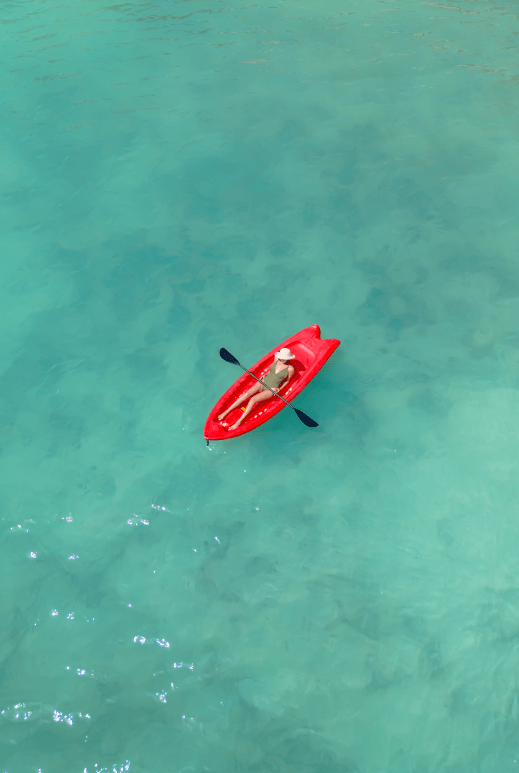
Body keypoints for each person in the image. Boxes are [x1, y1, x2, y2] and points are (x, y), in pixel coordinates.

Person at [218, 347, 295, 431]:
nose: (281, 359)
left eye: (283, 359)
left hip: (271, 389)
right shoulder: (276, 358)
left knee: (253, 399)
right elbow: (271, 370)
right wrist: (266, 374)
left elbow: (287, 381)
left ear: (287, 359)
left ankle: (238, 422)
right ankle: (226, 411)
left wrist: (279, 389)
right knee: (246, 394)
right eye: (280, 357)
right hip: (263, 381)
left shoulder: (290, 369)